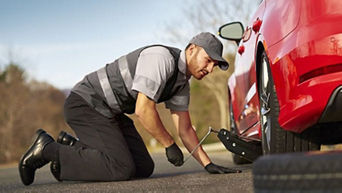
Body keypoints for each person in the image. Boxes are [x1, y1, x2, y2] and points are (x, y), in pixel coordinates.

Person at [19, 32, 241, 186]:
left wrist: (208, 164)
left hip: (110, 112)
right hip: (86, 103)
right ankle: (47, 149)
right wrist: (168, 144)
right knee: (120, 168)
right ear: (192, 49)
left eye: (214, 65)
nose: (210, 68)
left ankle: (73, 148)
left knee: (143, 167)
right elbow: (144, 110)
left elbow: (185, 129)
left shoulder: (182, 83)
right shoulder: (161, 58)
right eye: (208, 60)